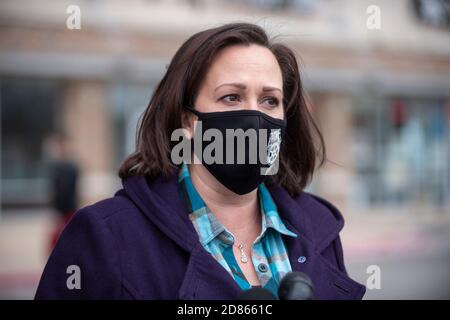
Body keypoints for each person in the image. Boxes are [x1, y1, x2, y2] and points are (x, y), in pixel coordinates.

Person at [35, 23, 365, 300]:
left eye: (269, 100)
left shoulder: (319, 227)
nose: (253, 116)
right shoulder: (106, 237)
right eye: (231, 97)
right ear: (188, 121)